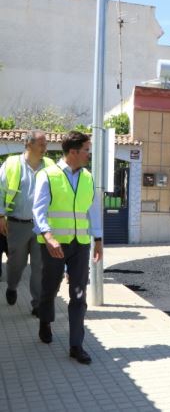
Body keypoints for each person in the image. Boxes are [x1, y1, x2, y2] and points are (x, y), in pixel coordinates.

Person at [33, 131, 102, 365]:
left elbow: (92, 210)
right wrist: (48, 235)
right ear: (73, 152)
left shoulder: (88, 178)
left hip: (80, 245)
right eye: (86, 150)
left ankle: (76, 345)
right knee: (50, 288)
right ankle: (45, 320)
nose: (88, 155)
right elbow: (38, 210)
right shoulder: (48, 175)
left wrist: (98, 239)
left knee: (79, 294)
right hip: (54, 244)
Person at [0, 131, 54, 315]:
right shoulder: (12, 164)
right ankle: (12, 286)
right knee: (17, 263)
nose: (45, 147)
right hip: (17, 224)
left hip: (41, 227)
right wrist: (0, 216)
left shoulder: (50, 166)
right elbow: (0, 191)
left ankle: (37, 304)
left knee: (39, 266)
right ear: (28, 145)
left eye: (45, 144)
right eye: (41, 144)